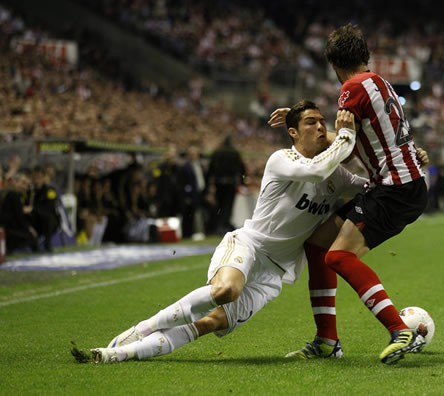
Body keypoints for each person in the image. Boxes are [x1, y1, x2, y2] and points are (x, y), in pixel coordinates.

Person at [71, 100, 365, 364]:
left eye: (323, 122)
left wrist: (408, 162)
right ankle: (144, 328)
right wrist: (345, 135)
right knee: (225, 291)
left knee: (210, 323)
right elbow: (315, 170)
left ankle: (120, 354)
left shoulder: (338, 177)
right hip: (249, 246)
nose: (320, 127)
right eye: (310, 122)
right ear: (292, 133)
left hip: (275, 272)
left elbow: (372, 186)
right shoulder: (283, 159)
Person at [271, 24, 428, 365]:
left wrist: (306, 133)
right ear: (364, 55)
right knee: (317, 243)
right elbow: (371, 134)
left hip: (393, 189)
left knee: (338, 256)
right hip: (402, 184)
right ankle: (327, 340)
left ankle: (400, 330)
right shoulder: (379, 82)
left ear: (332, 63)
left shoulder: (351, 88)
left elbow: (344, 141)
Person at [206, 135, 246, 235]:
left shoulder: (217, 152)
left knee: (219, 205)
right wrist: (242, 182)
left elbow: (210, 168)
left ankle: (218, 226)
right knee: (228, 206)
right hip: (231, 183)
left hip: (218, 183)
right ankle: (224, 225)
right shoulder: (235, 152)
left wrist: (208, 183)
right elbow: (241, 168)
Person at [0, 171, 39, 253]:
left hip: (5, 228)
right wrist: (29, 229)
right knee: (32, 238)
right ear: (15, 182)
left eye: (26, 185)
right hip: (8, 230)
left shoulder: (6, 192)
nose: (25, 187)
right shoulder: (13, 195)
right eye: (23, 183)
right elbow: (19, 218)